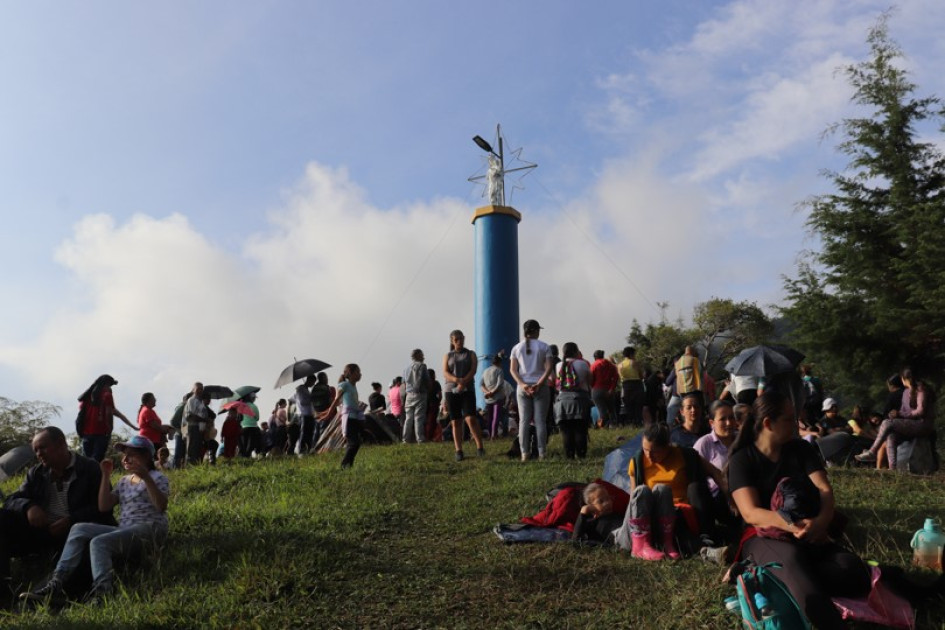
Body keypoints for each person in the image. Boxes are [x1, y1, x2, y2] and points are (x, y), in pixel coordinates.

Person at [727, 389, 871, 629]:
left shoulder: (801, 449)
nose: (796, 424)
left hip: (809, 531)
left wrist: (821, 522)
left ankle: (780, 582)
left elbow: (824, 489)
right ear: (768, 423)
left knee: (854, 571)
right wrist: (794, 526)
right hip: (764, 536)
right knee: (792, 560)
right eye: (788, 419)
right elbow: (751, 513)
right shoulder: (743, 460)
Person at [21, 435, 169, 606]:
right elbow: (104, 506)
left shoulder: (157, 477)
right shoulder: (124, 481)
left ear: (146, 456)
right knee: (79, 528)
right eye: (124, 455)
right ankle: (57, 581)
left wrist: (146, 477)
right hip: (125, 529)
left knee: (99, 542)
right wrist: (105, 476)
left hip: (150, 528)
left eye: (131, 455)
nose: (125, 459)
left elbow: (161, 506)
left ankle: (103, 593)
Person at [0, 427, 114, 605]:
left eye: (43, 448)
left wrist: (71, 520)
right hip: (43, 532)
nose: (39, 454)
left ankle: (46, 595)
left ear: (61, 444)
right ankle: (3, 588)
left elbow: (103, 509)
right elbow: (12, 500)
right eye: (36, 450)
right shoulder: (36, 473)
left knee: (89, 546)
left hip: (75, 534)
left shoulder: (90, 468)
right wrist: (29, 507)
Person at [614, 422, 721, 561]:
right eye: (645, 449)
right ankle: (703, 550)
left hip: (681, 513)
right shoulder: (638, 461)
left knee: (665, 490)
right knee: (643, 491)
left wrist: (731, 499)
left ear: (667, 446)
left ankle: (683, 543)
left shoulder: (685, 455)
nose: (649, 455)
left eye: (655, 451)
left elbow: (716, 473)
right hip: (651, 517)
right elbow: (634, 499)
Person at [855, 368, 935, 469]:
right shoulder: (906, 392)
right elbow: (903, 411)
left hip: (922, 424)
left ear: (904, 379)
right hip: (911, 424)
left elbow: (920, 411)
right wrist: (896, 414)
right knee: (891, 434)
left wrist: (901, 414)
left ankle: (872, 451)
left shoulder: (921, 390)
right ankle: (892, 467)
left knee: (887, 423)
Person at [509, 320, 553, 461]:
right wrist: (539, 383)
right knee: (540, 421)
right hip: (540, 386)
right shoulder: (544, 346)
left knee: (524, 421)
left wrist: (523, 384)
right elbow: (549, 367)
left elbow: (513, 370)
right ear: (536, 331)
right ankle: (542, 453)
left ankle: (524, 453)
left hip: (523, 387)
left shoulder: (516, 348)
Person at [693, 400, 738, 535]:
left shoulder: (741, 440)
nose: (728, 423)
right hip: (717, 498)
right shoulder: (705, 443)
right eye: (722, 419)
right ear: (712, 423)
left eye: (731, 418)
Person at [442, 330, 485, 461]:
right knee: (455, 421)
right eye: (456, 340)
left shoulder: (471, 354)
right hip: (451, 390)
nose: (459, 342)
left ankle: (480, 446)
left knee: (470, 418)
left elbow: (473, 370)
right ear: (452, 341)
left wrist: (463, 382)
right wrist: (456, 380)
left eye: (461, 339)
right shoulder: (448, 355)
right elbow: (445, 372)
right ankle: (458, 450)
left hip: (468, 389)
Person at [76, 375, 136, 462]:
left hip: (86, 434)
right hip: (101, 433)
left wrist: (132, 426)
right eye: (110, 385)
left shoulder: (86, 397)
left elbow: (117, 413)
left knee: (87, 461)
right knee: (97, 461)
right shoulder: (107, 395)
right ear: (107, 383)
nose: (110, 388)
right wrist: (110, 429)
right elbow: (109, 414)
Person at [319, 364, 367, 469]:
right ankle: (344, 465)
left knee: (356, 443)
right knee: (353, 443)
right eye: (357, 372)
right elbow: (337, 400)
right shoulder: (344, 385)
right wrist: (328, 413)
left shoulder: (353, 387)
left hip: (355, 418)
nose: (360, 374)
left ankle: (348, 465)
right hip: (348, 418)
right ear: (350, 373)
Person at [554, 342, 592, 459]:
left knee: (566, 431)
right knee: (580, 429)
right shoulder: (583, 364)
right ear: (576, 352)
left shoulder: (558, 365)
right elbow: (590, 381)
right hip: (580, 400)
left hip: (562, 401)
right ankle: (581, 454)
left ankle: (569, 456)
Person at [402, 349, 431, 444]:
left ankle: (405, 439)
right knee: (419, 417)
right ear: (418, 355)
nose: (423, 357)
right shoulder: (422, 366)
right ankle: (420, 439)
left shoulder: (406, 368)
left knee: (408, 418)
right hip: (420, 394)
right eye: (422, 355)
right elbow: (426, 380)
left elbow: (404, 383)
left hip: (409, 395)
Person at [480, 352, 508, 438]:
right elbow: (499, 384)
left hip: (488, 398)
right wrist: (492, 392)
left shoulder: (485, 371)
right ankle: (494, 435)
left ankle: (489, 434)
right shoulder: (499, 370)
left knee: (490, 417)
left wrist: (487, 393)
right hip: (497, 397)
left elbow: (481, 384)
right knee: (496, 417)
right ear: (499, 362)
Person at [590, 350, 619, 428]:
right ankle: (613, 425)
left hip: (597, 390)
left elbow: (591, 378)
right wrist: (612, 389)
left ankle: (604, 426)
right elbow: (616, 377)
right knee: (611, 409)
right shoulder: (611, 365)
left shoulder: (594, 365)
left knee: (601, 410)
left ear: (595, 357)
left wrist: (592, 387)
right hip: (609, 390)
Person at [617, 346, 645, 426]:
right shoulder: (634, 362)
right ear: (631, 354)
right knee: (638, 405)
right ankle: (638, 422)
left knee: (628, 405)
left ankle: (631, 422)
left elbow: (620, 377)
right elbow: (641, 376)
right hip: (636, 384)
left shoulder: (620, 365)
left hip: (625, 385)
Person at [184, 382, 209, 466]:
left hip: (199, 428)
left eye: (202, 389)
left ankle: (195, 467)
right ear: (193, 390)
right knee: (192, 449)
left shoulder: (200, 401)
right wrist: (204, 420)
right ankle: (190, 467)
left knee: (197, 449)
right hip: (193, 426)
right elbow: (191, 415)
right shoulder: (192, 400)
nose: (200, 390)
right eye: (198, 389)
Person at [295, 375, 317, 454]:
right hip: (303, 414)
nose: (313, 384)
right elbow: (302, 402)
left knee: (310, 432)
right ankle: (301, 449)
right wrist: (311, 398)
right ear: (309, 380)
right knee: (304, 432)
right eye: (313, 382)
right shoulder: (301, 389)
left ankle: (309, 449)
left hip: (309, 414)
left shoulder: (306, 389)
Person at [238, 391, 262, 458]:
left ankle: (244, 458)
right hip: (253, 427)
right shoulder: (254, 406)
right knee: (250, 445)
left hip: (244, 428)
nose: (254, 399)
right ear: (251, 398)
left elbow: (239, 417)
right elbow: (257, 418)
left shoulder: (241, 406)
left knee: (244, 445)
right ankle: (248, 456)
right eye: (254, 398)